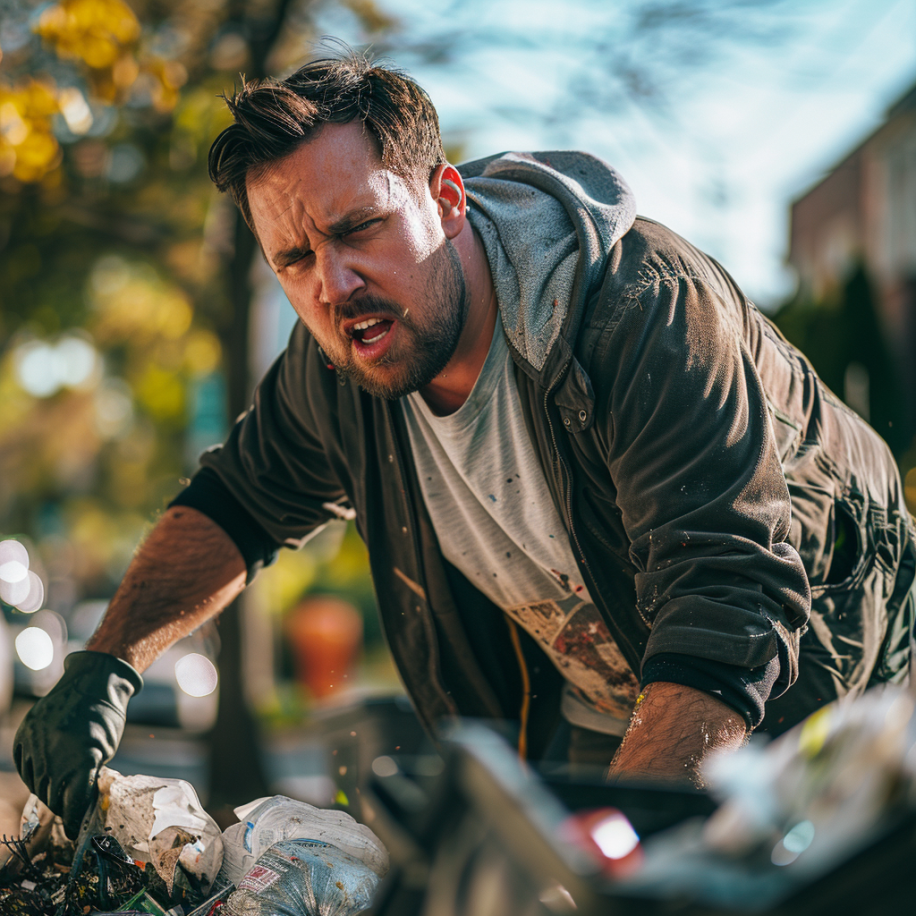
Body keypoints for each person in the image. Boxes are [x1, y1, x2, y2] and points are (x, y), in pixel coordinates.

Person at [15, 53, 916, 838]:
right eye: (292, 259)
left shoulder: (640, 311)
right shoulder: (338, 362)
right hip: (611, 707)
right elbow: (242, 501)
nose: (333, 284)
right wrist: (107, 661)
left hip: (825, 682)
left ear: (445, 200)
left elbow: (729, 603)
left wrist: (611, 856)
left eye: (358, 227)